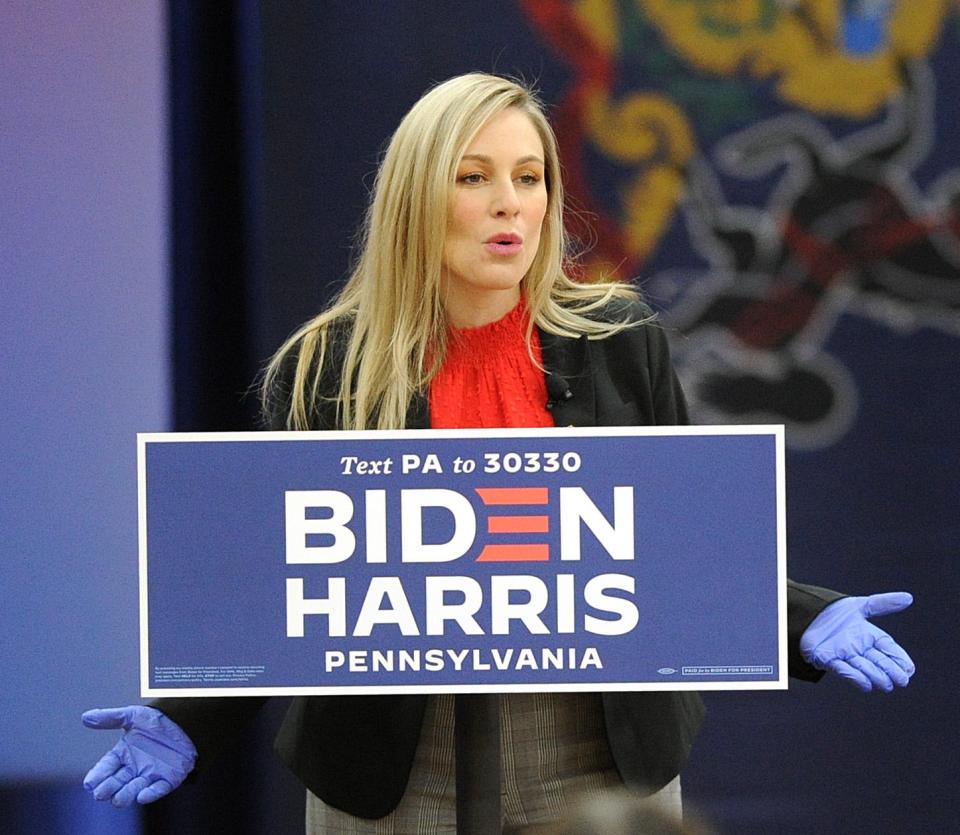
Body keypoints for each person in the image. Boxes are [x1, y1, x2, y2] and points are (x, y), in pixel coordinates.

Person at [82, 73, 916, 831]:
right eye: (474, 177)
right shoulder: (323, 366)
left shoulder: (620, 341)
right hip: (393, 761)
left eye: (529, 177)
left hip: (597, 748)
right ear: (417, 197)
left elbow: (671, 546)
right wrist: (191, 712)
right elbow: (285, 581)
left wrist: (802, 614)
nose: (509, 202)